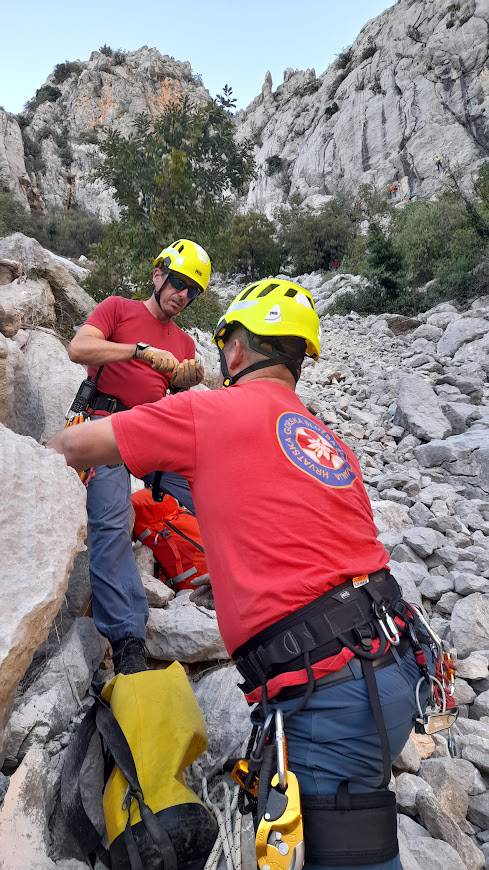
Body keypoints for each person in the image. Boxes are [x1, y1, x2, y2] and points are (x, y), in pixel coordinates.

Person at [49, 277, 434, 869]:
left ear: (236, 349)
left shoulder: (210, 410)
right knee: (355, 829)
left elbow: (79, 447)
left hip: (325, 683)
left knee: (342, 854)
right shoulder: (326, 440)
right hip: (396, 658)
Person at [67, 238, 211, 675]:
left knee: (209, 488)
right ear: (158, 274)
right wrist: (137, 351)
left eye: (192, 291)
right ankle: (128, 637)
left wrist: (187, 380)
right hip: (104, 427)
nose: (183, 294)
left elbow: (175, 396)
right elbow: (79, 348)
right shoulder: (117, 309)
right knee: (111, 520)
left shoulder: (184, 342)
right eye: (179, 282)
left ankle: (216, 574)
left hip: (152, 431)